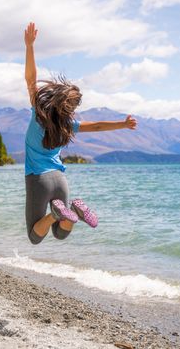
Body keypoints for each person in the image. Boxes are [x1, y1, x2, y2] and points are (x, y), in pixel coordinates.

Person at [24, 22, 137, 244]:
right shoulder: (68, 124)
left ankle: (55, 213)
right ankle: (73, 210)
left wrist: (29, 46)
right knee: (60, 233)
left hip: (38, 179)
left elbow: (31, 79)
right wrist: (122, 124)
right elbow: (96, 126)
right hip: (60, 180)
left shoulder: (40, 113)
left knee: (34, 236)